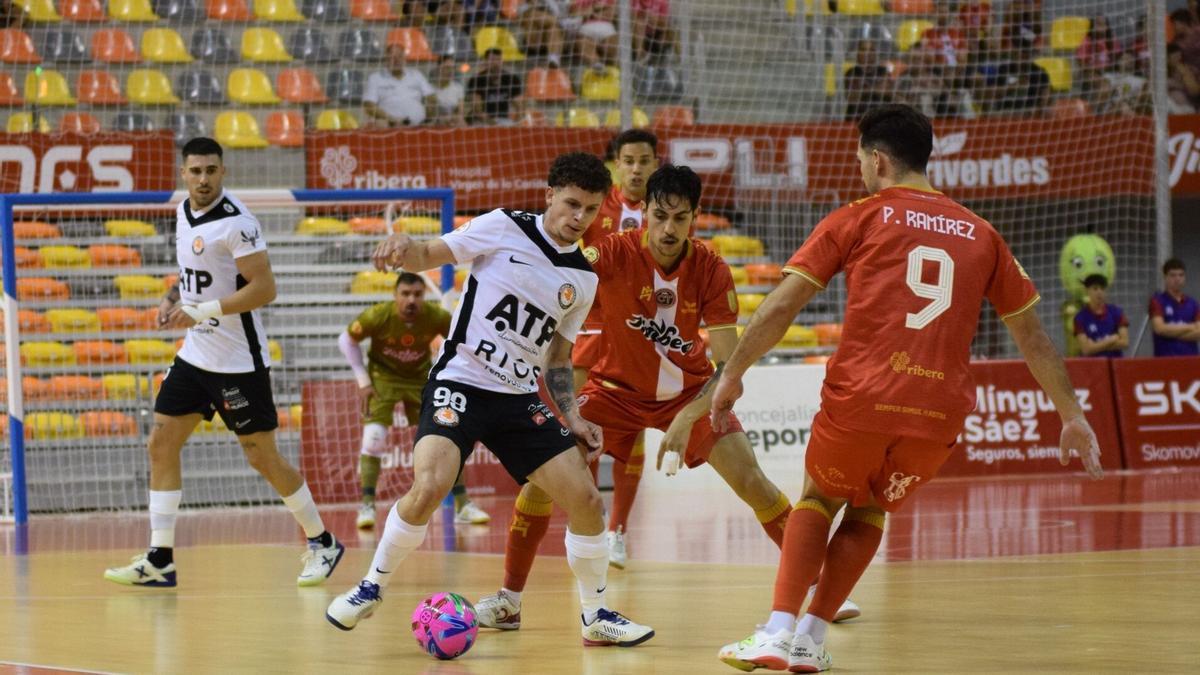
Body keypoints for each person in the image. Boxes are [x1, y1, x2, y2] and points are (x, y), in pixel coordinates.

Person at [712, 105, 1104, 672]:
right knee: (870, 508)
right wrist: (1071, 414)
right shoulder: (983, 233)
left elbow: (780, 307)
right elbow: (1035, 339)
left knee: (819, 499)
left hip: (864, 396)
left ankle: (776, 632)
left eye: (860, 161)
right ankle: (811, 640)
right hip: (936, 415)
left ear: (878, 160)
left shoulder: (859, 216)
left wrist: (732, 374)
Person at [474, 163, 860, 633]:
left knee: (752, 482)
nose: (669, 229)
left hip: (690, 395)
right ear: (645, 213)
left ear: (695, 216)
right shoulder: (612, 252)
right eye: (660, 216)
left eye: (680, 218)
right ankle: (510, 599)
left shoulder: (712, 269)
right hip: (612, 392)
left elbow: (727, 368)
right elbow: (555, 276)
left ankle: (823, 589)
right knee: (540, 482)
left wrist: (686, 418)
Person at [325, 152, 654, 647]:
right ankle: (371, 586)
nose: (579, 218)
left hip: (518, 397)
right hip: (459, 382)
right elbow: (429, 253)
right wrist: (404, 246)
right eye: (571, 204)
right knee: (430, 485)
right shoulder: (504, 226)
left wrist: (572, 415)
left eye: (590, 209)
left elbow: (558, 357)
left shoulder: (583, 278)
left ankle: (595, 616)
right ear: (549, 195)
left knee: (587, 499)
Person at [104, 138, 343, 588]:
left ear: (223, 172)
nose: (203, 179)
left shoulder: (238, 223)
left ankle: (322, 541)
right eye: (195, 171)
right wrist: (172, 297)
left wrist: (203, 310)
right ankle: (159, 558)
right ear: (183, 173)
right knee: (161, 442)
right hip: (196, 354)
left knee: (261, 455)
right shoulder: (182, 211)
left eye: (211, 171)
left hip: (237, 360)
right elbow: (194, 274)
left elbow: (265, 288)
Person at [338, 272, 490, 529]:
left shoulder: (436, 316)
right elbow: (346, 340)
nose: (411, 300)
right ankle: (367, 505)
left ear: (424, 296)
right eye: (406, 294)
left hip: (420, 379)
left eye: (417, 294)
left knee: (445, 438)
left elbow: (464, 340)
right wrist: (363, 380)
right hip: (383, 379)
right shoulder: (378, 315)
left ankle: (463, 504)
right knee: (374, 438)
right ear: (395, 295)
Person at [576, 128, 658, 566]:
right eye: (629, 161)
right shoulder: (596, 206)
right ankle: (590, 521)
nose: (636, 169)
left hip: (637, 328)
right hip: (591, 325)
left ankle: (618, 531)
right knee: (581, 424)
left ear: (655, 164)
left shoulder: (663, 211)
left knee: (631, 430)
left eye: (644, 160)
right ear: (616, 164)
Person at [363, 44, 437, 127]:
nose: (396, 60)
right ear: (386, 59)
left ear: (404, 58)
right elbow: (369, 105)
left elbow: (431, 98)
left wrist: (427, 119)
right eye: (392, 57)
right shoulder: (375, 78)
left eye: (400, 56)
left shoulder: (416, 75)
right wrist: (392, 119)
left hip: (419, 127)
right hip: (390, 126)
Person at [1149, 258, 1200, 357]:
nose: (1177, 279)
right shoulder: (1157, 301)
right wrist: (1191, 326)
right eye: (1173, 275)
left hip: (1191, 360)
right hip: (1165, 360)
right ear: (1165, 277)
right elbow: (1159, 329)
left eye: (1181, 275)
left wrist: (1170, 334)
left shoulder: (1193, 304)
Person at [1073, 274, 1128, 357]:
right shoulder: (1080, 318)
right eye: (1095, 288)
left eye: (1102, 289)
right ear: (1087, 290)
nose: (1099, 292)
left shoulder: (1117, 312)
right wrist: (1112, 339)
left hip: (1114, 362)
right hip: (1092, 364)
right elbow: (1086, 350)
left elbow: (1125, 342)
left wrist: (1094, 346)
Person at [467, 47, 524, 125]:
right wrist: (494, 125)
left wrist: (517, 124)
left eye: (499, 59)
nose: (496, 63)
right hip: (481, 121)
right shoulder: (476, 80)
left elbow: (520, 107)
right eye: (492, 60)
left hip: (503, 120)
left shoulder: (512, 79)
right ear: (485, 62)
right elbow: (477, 110)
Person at [431, 56, 467, 126]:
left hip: (454, 122)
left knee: (461, 121)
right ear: (438, 68)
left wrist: (453, 118)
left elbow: (461, 111)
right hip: (437, 123)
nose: (450, 71)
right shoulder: (430, 89)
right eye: (447, 68)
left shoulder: (458, 88)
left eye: (453, 68)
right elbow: (431, 114)